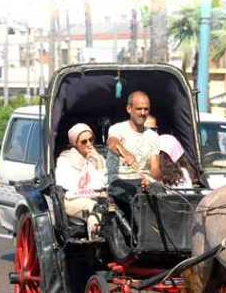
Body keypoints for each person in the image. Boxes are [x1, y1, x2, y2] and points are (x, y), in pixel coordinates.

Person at [106, 90, 161, 219]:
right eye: (139, 109)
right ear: (129, 108)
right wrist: (125, 153)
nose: (143, 113)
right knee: (137, 198)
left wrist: (151, 180)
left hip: (142, 183)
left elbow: (155, 170)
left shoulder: (153, 136)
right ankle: (141, 237)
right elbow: (112, 143)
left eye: (146, 109)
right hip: (119, 182)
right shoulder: (117, 129)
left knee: (162, 195)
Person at [55, 123, 107, 238]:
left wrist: (98, 162)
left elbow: (106, 184)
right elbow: (71, 189)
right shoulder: (65, 161)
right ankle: (95, 240)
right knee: (96, 209)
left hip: (98, 198)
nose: (89, 144)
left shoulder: (99, 158)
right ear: (75, 144)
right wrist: (97, 192)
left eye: (91, 140)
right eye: (84, 142)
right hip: (73, 200)